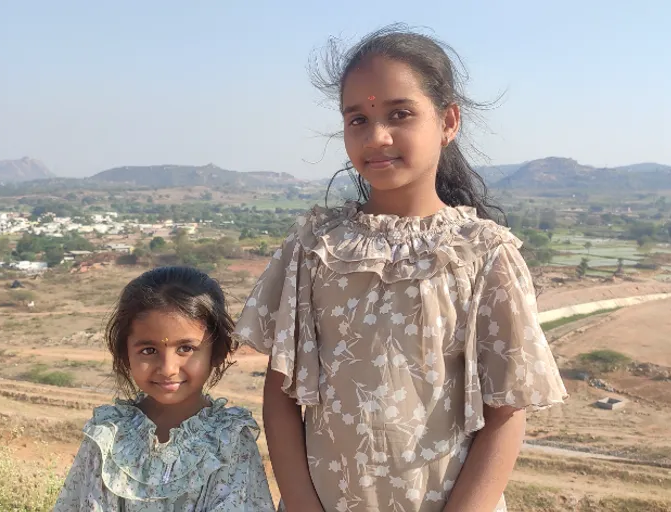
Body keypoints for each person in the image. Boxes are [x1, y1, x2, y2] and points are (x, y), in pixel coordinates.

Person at [234, 24, 568, 512]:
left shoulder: (484, 254)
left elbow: (505, 413)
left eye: (399, 114)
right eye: (358, 119)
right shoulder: (315, 246)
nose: (377, 137)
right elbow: (282, 391)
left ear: (448, 121)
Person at [54, 266, 274, 511]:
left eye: (186, 349)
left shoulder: (229, 440)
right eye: (149, 351)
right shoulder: (108, 435)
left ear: (217, 351)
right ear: (125, 353)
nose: (168, 368)